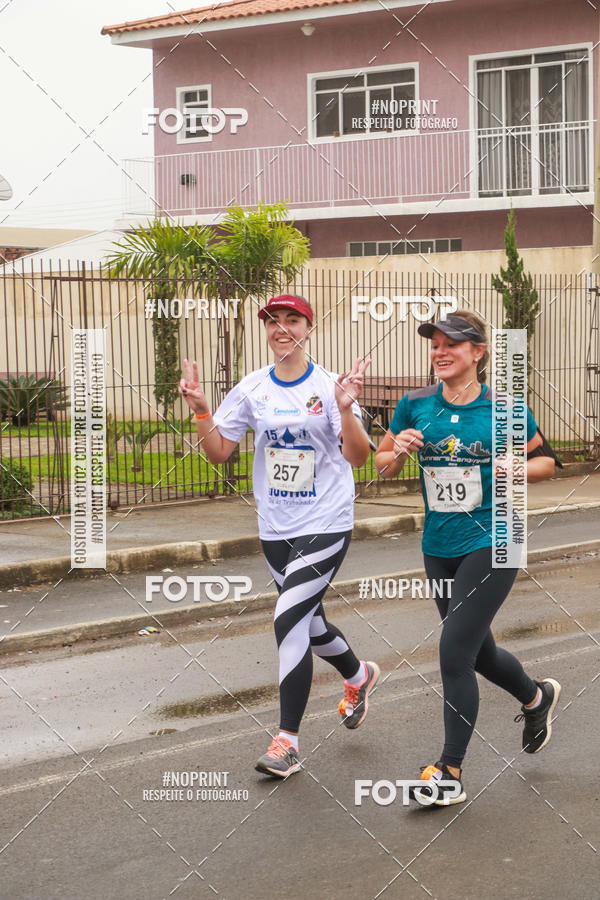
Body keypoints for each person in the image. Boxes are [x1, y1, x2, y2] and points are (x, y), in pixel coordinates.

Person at [179, 294, 380, 778]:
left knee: (288, 618)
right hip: (276, 527)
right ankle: (359, 675)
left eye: (293, 320)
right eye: (274, 321)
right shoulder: (252, 388)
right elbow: (220, 452)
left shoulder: (331, 385)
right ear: (265, 330)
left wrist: (347, 410)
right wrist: (204, 411)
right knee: (309, 625)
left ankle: (286, 741)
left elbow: (358, 457)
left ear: (308, 328)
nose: (282, 328)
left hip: (327, 521)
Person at [375, 309, 561, 806]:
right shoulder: (414, 404)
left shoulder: (503, 408)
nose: (440, 351)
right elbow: (381, 462)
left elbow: (548, 460)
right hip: (438, 546)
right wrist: (398, 450)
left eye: (451, 344)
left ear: (478, 352)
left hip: (496, 541)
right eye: (435, 343)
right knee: (477, 653)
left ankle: (449, 771)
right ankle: (536, 696)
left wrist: (516, 465)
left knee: (454, 652)